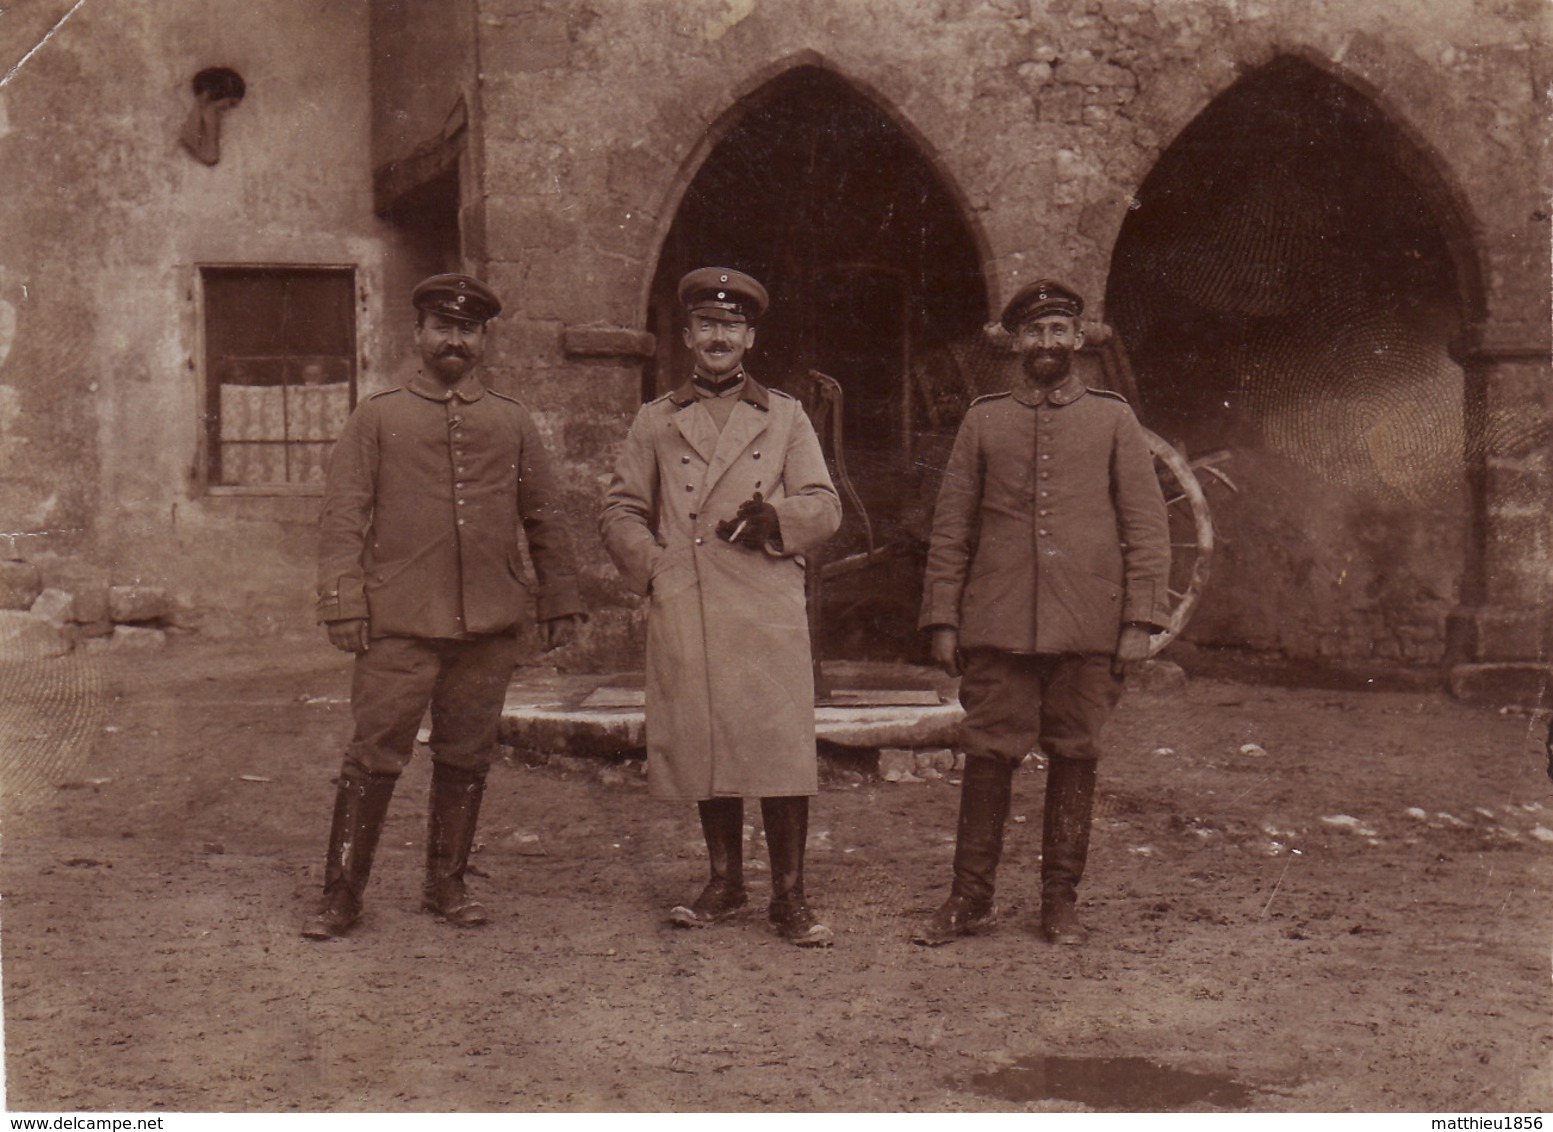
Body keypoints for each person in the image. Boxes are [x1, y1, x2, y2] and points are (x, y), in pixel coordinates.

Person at [303, 273, 585, 940]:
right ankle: (341, 894)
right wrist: (342, 602)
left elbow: (544, 516)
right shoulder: (377, 416)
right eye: (441, 327)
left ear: (484, 340)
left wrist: (558, 598)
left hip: (489, 622)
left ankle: (448, 886)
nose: (453, 339)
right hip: (397, 622)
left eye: (467, 329)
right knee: (372, 757)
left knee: (467, 756)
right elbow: (343, 517)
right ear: (419, 334)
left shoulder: (511, 421)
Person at [912, 279, 1172, 948]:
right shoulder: (984, 419)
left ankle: (1059, 904)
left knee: (1075, 754)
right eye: (1036, 332)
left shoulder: (1113, 419)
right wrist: (943, 617)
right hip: (997, 622)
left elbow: (1146, 528)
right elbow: (951, 527)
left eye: (1060, 330)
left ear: (1079, 339)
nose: (1048, 343)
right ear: (1015, 343)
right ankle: (968, 900)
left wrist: (1139, 621)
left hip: (1089, 624)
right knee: (987, 754)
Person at [600, 268, 842, 947]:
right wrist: (656, 569)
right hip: (693, 598)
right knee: (707, 737)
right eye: (705, 325)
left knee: (778, 743)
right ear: (686, 337)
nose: (717, 337)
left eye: (730, 327)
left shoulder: (786, 415)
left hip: (764, 601)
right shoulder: (656, 419)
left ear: (750, 338)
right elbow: (619, 509)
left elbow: (826, 507)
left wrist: (775, 517)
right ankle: (725, 882)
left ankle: (789, 897)